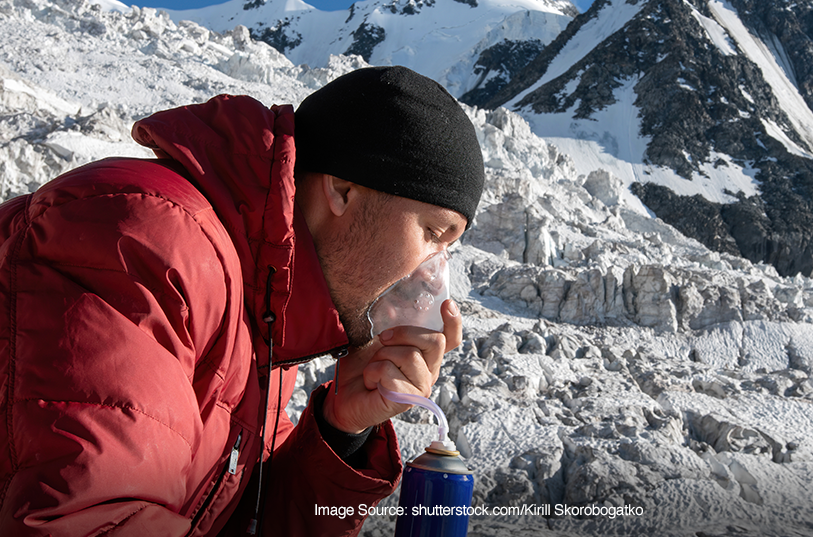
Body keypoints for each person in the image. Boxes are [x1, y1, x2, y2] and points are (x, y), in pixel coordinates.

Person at [0, 65, 485, 536]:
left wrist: (341, 430)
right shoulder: (144, 245)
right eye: (432, 234)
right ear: (342, 190)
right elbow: (89, 519)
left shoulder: (268, 310)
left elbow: (244, 520)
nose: (431, 276)